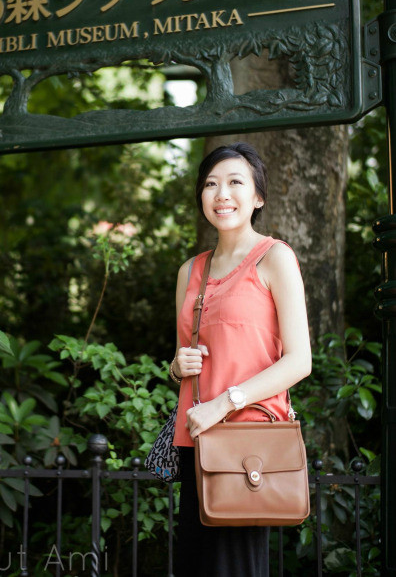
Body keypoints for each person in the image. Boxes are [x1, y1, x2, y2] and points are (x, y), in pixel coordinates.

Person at [170, 142, 311, 577]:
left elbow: (300, 361)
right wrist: (177, 366)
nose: (221, 194)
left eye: (235, 182)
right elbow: (182, 358)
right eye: (210, 184)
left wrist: (224, 403)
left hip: (247, 445)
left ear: (258, 197)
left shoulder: (275, 258)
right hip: (196, 442)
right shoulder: (189, 270)